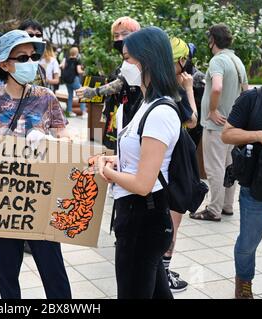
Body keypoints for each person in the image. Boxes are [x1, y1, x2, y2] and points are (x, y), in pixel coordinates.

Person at [0, 30, 73, 299]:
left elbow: (66, 137)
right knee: (7, 273)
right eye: (22, 57)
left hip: (40, 199)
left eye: (34, 56)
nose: (31, 62)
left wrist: (49, 140)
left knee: (53, 270)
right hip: (2, 199)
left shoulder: (46, 97)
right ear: (4, 64)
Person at [97, 27, 181, 299]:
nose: (124, 66)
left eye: (128, 59)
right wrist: (117, 160)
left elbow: (143, 184)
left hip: (143, 217)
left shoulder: (159, 111)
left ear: (147, 59)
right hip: (136, 214)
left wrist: (107, 172)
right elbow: (142, 157)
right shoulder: (144, 104)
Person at [221, 38, 262, 299]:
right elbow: (227, 135)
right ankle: (244, 284)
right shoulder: (253, 98)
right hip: (258, 189)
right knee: (247, 245)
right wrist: (260, 136)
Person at [191, 24, 249, 222]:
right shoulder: (237, 61)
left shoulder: (218, 61)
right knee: (230, 166)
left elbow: (216, 87)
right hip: (233, 125)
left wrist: (213, 110)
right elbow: (246, 91)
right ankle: (226, 206)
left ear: (212, 41)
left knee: (214, 168)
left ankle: (213, 210)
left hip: (216, 126)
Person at [161, 37, 199, 294]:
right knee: (172, 222)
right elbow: (193, 120)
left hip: (158, 163)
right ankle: (163, 273)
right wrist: (189, 89)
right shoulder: (174, 91)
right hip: (173, 165)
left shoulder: (151, 85)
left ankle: (159, 271)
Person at [76, 17, 142, 149]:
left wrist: (94, 91)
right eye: (116, 35)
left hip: (132, 121)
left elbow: (121, 83)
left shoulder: (140, 59)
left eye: (124, 34)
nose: (119, 39)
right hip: (115, 119)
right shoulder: (123, 61)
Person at [18, 19, 48, 87]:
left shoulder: (41, 69)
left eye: (38, 35)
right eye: (30, 34)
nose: (34, 37)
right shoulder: (13, 65)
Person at [61, 46, 86, 118]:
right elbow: (79, 71)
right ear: (77, 53)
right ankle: (83, 112)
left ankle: (69, 112)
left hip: (67, 80)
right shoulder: (77, 61)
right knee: (81, 95)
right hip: (74, 80)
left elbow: (62, 67)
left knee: (70, 96)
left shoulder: (67, 60)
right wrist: (84, 71)